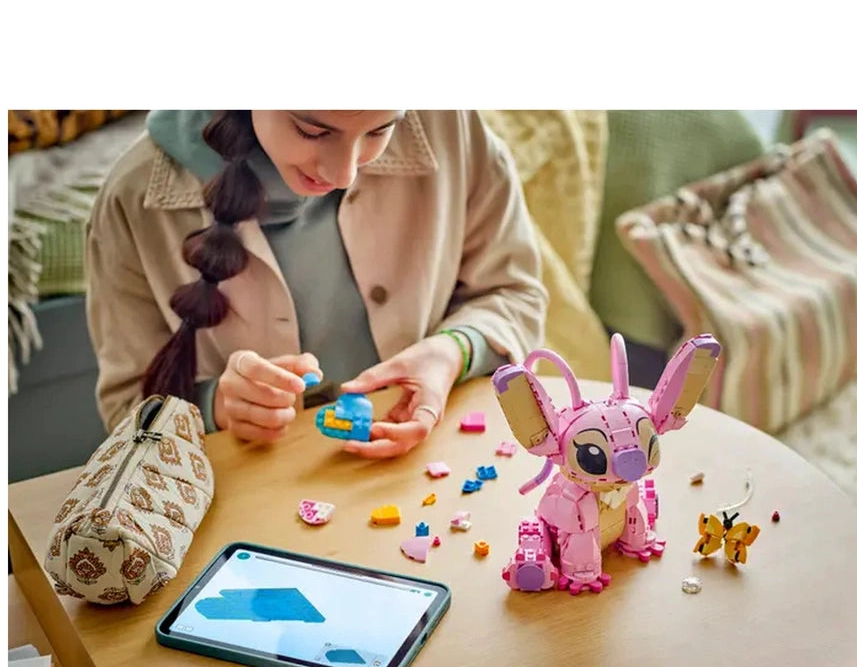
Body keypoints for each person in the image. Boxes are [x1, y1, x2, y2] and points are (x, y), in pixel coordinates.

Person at [85, 110, 547, 458]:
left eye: (379, 130)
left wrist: (452, 351)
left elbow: (514, 293)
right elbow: (127, 407)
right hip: (248, 511)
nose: (342, 173)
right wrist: (217, 408)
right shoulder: (134, 196)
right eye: (312, 130)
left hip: (428, 475)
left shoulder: (453, 128)